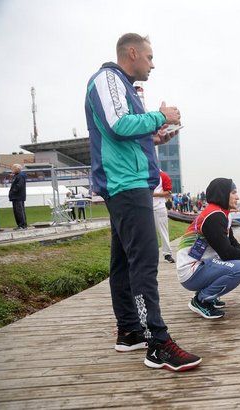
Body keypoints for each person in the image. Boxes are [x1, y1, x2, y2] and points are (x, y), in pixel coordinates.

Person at [85, 32, 200, 371]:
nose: (152, 63)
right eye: (149, 57)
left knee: (123, 262)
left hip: (126, 182)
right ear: (131, 53)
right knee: (145, 262)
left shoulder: (119, 84)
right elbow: (119, 124)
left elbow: (123, 134)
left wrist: (154, 137)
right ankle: (158, 343)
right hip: (126, 184)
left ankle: (130, 332)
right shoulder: (107, 78)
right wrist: (159, 115)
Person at [176, 178, 240, 319]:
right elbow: (227, 253)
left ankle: (208, 296)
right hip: (191, 271)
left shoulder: (221, 213)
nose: (238, 197)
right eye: (234, 192)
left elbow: (232, 242)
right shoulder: (214, 216)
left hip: (199, 266)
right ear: (222, 194)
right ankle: (201, 301)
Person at [153, 169, 175, 263]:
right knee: (146, 233)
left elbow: (168, 192)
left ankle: (167, 254)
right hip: (145, 207)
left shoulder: (163, 175)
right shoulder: (142, 173)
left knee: (163, 231)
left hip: (159, 207)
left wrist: (153, 194)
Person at [8, 164, 28, 230]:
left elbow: (19, 186)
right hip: (16, 196)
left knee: (19, 211)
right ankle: (20, 225)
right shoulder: (17, 176)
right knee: (17, 211)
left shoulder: (20, 176)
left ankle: (22, 225)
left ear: (16, 169)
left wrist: (13, 191)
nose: (12, 170)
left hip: (18, 196)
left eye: (13, 169)